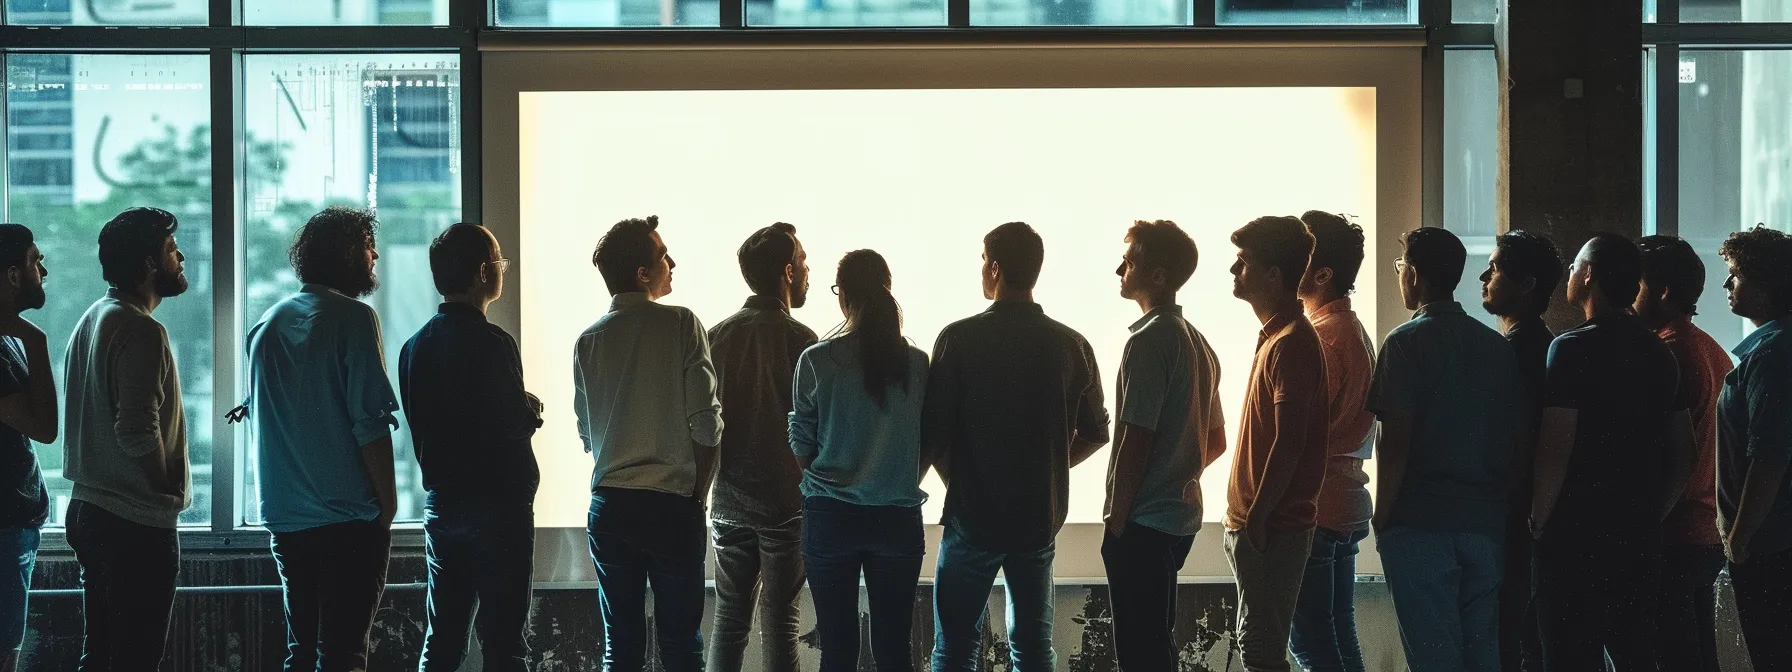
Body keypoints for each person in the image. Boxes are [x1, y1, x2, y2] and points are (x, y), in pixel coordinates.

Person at [924, 222, 1109, 672]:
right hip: (1036, 520)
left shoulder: (959, 338)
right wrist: (1049, 464)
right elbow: (1097, 432)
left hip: (972, 518)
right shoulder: (1072, 344)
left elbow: (933, 436)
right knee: (1031, 647)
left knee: (954, 647)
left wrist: (960, 477)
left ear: (995, 266)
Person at [244, 206, 401, 672]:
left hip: (287, 520)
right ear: (350, 254)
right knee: (345, 653)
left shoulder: (267, 325)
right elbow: (369, 423)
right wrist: (387, 506)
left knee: (303, 650)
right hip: (347, 519)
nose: (375, 256)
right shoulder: (354, 318)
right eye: (369, 246)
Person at [1530, 233, 1687, 671]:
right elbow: (1684, 454)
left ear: (1591, 274)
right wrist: (1651, 513)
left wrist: (1538, 522)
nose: (1571, 273)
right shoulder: (1659, 352)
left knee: (1570, 655)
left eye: (1576, 265)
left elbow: (1556, 445)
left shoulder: (1570, 348)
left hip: (1574, 536)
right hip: (1636, 535)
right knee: (1636, 653)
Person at [1368, 227, 1521, 672]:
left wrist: (1383, 517)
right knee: (1481, 654)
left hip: (1420, 525)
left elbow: (1394, 443)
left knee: (1434, 657)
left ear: (1413, 274)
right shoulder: (1494, 346)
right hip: (1484, 523)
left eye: (1400, 267)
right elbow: (1515, 438)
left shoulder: (1403, 343)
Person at [576, 216, 722, 672]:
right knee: (681, 647)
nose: (672, 262)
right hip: (670, 505)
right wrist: (697, 494)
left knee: (620, 648)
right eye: (663, 255)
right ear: (643, 274)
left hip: (610, 506)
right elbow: (707, 424)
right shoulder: (680, 323)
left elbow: (586, 432)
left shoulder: (588, 340)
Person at [400, 223, 543, 672]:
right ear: (484, 272)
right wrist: (531, 412)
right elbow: (509, 424)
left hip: (442, 505)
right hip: (499, 507)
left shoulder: (414, 347)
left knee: (443, 637)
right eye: (499, 261)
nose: (502, 268)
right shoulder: (495, 343)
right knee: (504, 643)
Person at [62, 207, 192, 671]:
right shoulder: (142, 329)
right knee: (135, 657)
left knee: (101, 654)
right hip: (132, 519)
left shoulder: (95, 316)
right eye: (172, 251)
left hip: (91, 509)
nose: (181, 258)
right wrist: (165, 487)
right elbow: (137, 431)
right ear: (149, 264)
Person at [790, 250, 929, 672]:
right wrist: (899, 474)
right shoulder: (918, 364)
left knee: (837, 648)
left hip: (831, 516)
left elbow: (801, 441)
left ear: (843, 295)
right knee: (894, 650)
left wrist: (823, 479)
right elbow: (931, 437)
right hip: (897, 517)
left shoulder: (816, 360)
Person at [1100, 220, 1224, 672]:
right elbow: (1215, 440)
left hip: (1143, 522)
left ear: (1158, 275)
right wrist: (1180, 472)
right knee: (1157, 645)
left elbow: (1137, 437)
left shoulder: (1149, 340)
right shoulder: (1199, 342)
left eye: (1130, 261)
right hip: (1178, 519)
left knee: (1139, 653)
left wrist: (1117, 517)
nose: (1119, 268)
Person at [706, 223, 817, 672]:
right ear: (787, 272)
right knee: (781, 622)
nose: (810, 270)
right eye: (805, 262)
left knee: (729, 622)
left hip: (729, 501)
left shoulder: (715, 336)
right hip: (786, 507)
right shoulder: (805, 343)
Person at [1222, 215, 1326, 672]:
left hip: (1272, 527)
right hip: (1260, 525)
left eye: (1243, 262)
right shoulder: (1276, 339)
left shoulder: (1291, 344)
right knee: (1259, 645)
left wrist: (1259, 516)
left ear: (1274, 276)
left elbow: (1290, 440)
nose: (1233, 270)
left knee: (1261, 649)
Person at [1635, 235, 1730, 672]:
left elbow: (1674, 455)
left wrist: (1643, 519)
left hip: (1672, 529)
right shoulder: (1712, 350)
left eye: (1634, 282)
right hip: (1706, 529)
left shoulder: (1666, 352)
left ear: (1663, 292)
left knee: (1669, 653)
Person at [1286, 211, 1376, 672]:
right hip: (1345, 501)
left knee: (1312, 646)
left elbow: (1297, 438)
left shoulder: (1320, 338)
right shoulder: (1352, 330)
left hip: (1316, 508)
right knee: (1339, 638)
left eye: (1297, 257)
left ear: (1322, 274)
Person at [1476, 229, 1561, 672]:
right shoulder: (1540, 345)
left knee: (1510, 638)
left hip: (1514, 516)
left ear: (1526, 284)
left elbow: (1515, 442)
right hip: (1525, 514)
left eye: (1494, 269)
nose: (1483, 276)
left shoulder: (1517, 352)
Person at [1715, 225, 1792, 667]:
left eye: (1736, 274)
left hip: (1771, 545)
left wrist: (1740, 539)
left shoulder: (1772, 356)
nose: (1727, 284)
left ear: (1767, 285)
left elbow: (1769, 456)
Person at [0, 225, 54, 672]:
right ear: (14, 275)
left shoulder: (4, 340)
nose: (45, 271)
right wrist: (36, 340)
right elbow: (44, 427)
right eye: (37, 261)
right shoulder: (7, 346)